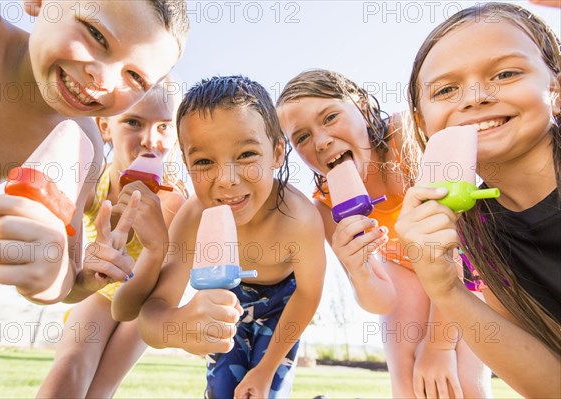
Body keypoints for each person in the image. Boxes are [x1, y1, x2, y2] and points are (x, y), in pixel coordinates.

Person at [277, 69, 491, 398]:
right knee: (407, 383)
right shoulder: (325, 204)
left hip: (468, 262)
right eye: (301, 137)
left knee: (461, 381)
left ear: (362, 106)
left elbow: (454, 251)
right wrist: (360, 270)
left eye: (330, 117)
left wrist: (438, 346)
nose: (321, 141)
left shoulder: (406, 139)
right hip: (404, 266)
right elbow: (380, 300)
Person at [0, 0, 189, 304]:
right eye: (96, 34)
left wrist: (63, 276)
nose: (104, 81)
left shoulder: (83, 146)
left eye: (135, 77)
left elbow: (67, 282)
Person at [395, 3, 561, 397]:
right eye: (446, 90)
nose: (475, 97)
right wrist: (444, 288)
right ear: (422, 121)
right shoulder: (476, 231)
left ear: (555, 90)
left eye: (506, 73)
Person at [138, 76, 327, 399]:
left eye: (247, 155)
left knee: (266, 392)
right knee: (224, 391)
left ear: (277, 153)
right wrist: (179, 326)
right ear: (186, 164)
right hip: (226, 301)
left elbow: (308, 296)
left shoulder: (300, 218)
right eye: (204, 162)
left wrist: (265, 370)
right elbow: (151, 318)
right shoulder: (193, 218)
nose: (227, 180)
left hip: (285, 307)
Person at [37, 80, 187, 398]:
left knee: (100, 389)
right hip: (97, 289)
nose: (150, 140)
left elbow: (162, 282)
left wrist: (154, 247)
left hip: (147, 297)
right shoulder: (92, 184)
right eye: (134, 122)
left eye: (164, 127)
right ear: (105, 126)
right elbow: (64, 279)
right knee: (69, 368)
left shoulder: (174, 202)